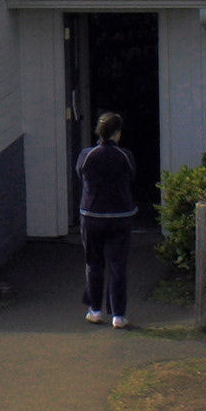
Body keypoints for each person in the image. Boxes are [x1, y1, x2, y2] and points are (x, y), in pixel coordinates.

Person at [76, 111, 139, 328]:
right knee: (117, 266)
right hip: (120, 216)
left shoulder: (87, 155)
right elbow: (131, 176)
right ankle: (118, 315)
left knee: (94, 264)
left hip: (91, 215)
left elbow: (80, 174)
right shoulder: (125, 155)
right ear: (118, 133)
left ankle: (94, 310)